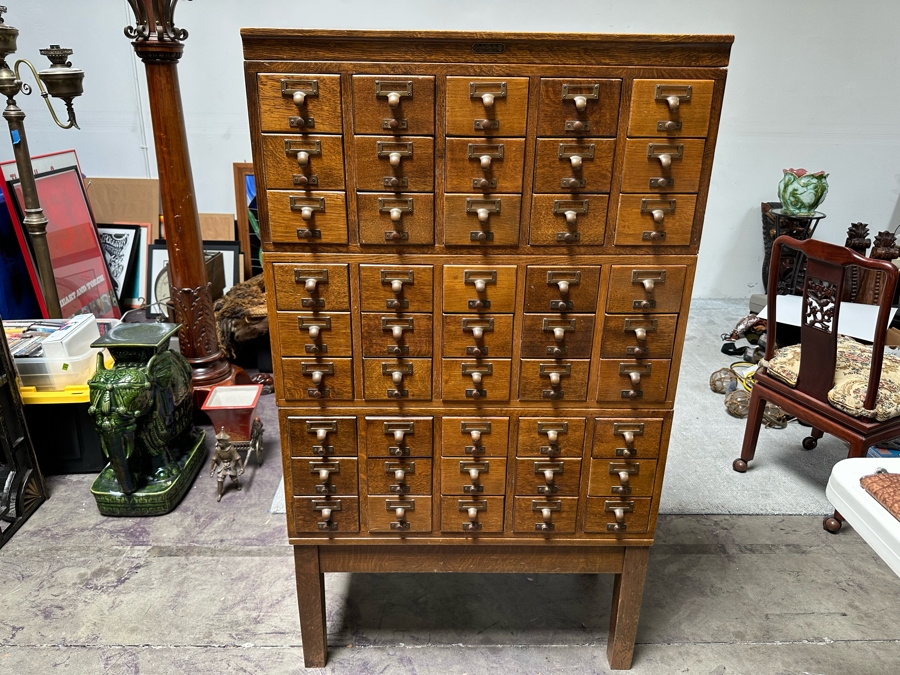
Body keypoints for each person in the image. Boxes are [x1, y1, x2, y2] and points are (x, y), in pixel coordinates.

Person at [210, 427, 244, 502]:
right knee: (219, 479)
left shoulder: (231, 449)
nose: (218, 443)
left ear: (225, 442)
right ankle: (219, 494)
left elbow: (237, 457)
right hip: (222, 465)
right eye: (218, 441)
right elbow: (214, 459)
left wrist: (242, 468)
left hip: (230, 464)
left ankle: (237, 484)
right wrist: (212, 469)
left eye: (220, 442)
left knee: (234, 478)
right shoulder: (218, 449)